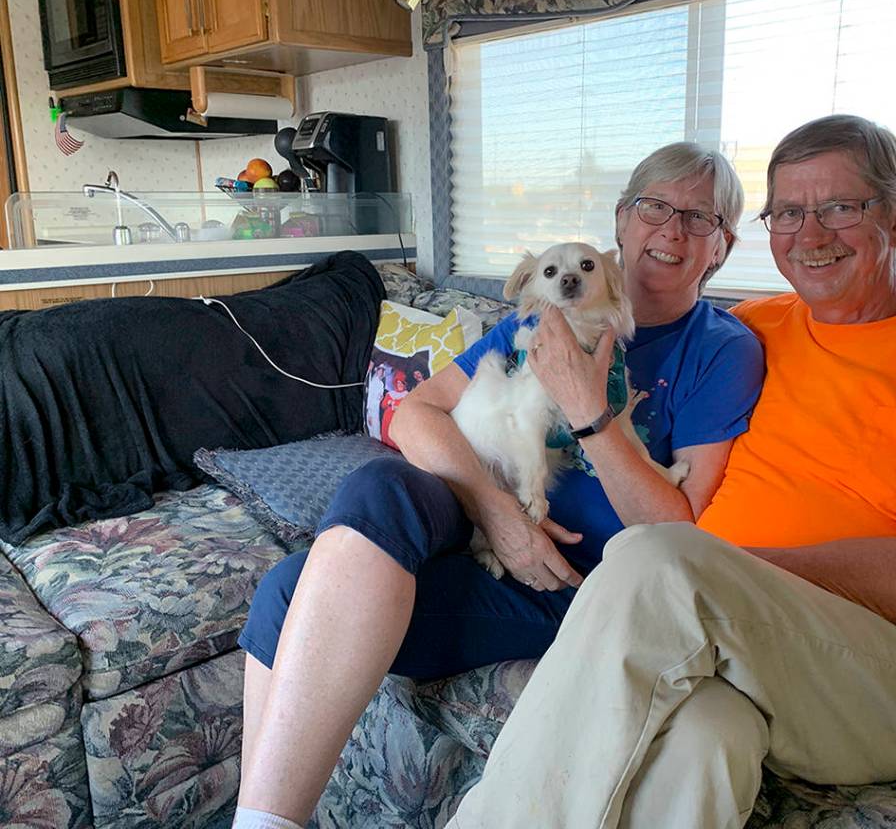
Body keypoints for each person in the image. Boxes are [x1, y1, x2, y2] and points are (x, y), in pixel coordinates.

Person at [448, 115, 896, 829]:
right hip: (744, 658)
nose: (810, 236)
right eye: (787, 212)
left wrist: (717, 574)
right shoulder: (751, 329)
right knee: (701, 742)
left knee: (654, 559)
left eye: (841, 207)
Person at [231, 142, 767, 829]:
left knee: (287, 590)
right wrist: (501, 515)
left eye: (700, 218)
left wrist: (587, 409)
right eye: (655, 207)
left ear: (721, 247)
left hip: (568, 581)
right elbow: (416, 414)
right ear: (622, 221)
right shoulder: (537, 318)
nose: (671, 231)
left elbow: (676, 527)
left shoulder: (722, 350)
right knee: (378, 486)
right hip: (481, 520)